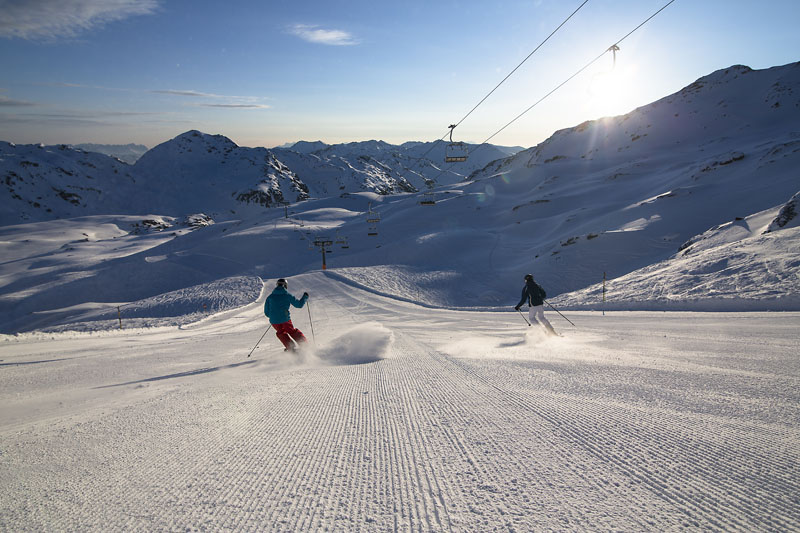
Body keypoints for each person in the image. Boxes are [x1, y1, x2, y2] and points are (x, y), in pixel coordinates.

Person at [264, 278, 309, 351]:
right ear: (285, 286)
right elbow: (299, 305)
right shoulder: (287, 295)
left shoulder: (270, 297)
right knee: (291, 331)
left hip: (274, 320)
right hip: (285, 318)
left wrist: (274, 316)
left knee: (281, 332)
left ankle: (290, 347)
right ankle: (304, 345)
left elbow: (266, 312)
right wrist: (305, 297)